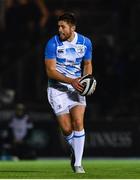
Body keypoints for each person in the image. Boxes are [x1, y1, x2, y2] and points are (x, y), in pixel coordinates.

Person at [44, 12, 93, 173]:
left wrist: (88, 79)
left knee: (78, 122)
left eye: (63, 27)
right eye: (58, 26)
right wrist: (71, 80)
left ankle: (78, 164)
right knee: (66, 128)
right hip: (57, 89)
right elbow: (50, 71)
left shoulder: (85, 42)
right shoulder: (53, 43)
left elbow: (87, 63)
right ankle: (75, 150)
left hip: (76, 87)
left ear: (72, 27)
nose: (59, 30)